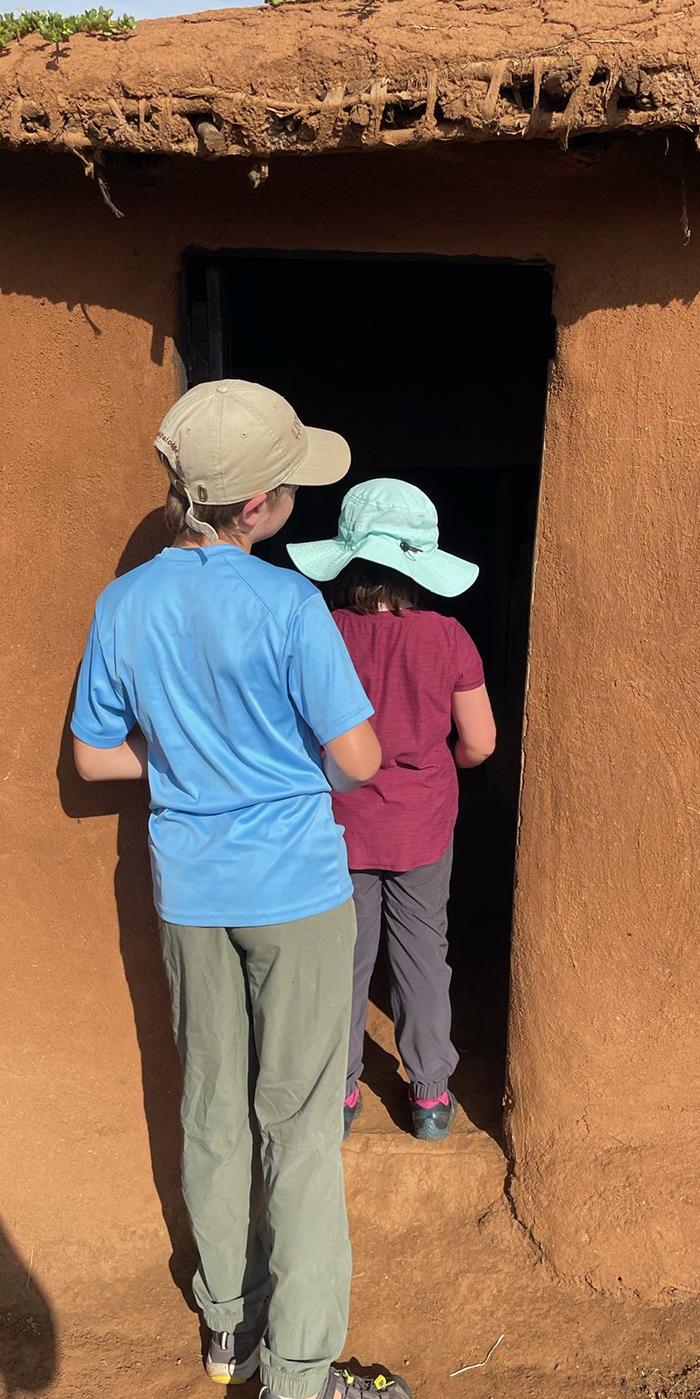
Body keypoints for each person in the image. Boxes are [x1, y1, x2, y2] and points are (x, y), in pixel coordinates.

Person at [70, 382, 412, 1399]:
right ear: (259, 507)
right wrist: (274, 765)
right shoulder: (287, 608)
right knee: (302, 1131)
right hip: (295, 896)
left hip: (189, 890)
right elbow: (355, 759)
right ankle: (298, 1396)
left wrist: (184, 762)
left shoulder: (122, 604)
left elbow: (92, 759)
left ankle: (229, 1319)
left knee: (212, 1104)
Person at [288, 479, 497, 1143]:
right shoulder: (449, 638)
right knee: (421, 955)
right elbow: (480, 743)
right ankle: (431, 1098)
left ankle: (340, 1093)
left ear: (347, 559)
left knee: (341, 958)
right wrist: (434, 770)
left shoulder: (321, 630)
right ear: (417, 568)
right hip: (423, 823)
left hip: (339, 825)